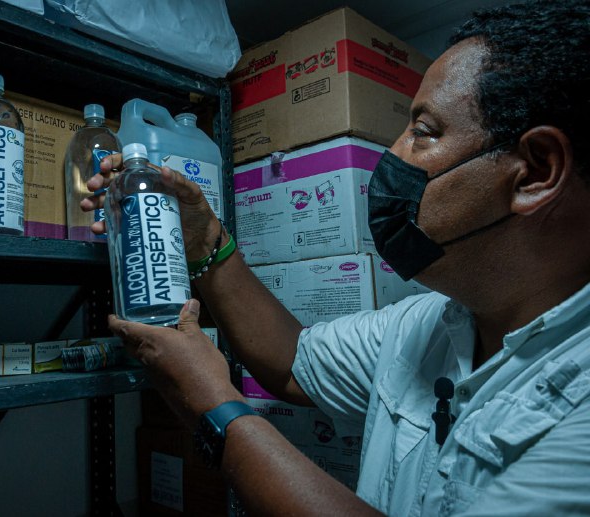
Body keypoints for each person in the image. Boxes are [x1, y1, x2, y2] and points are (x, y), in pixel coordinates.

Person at [81, 0, 590, 514]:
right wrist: (206, 240)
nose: (393, 156)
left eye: (424, 132)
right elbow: (290, 364)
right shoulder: (429, 324)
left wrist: (213, 407)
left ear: (536, 170)